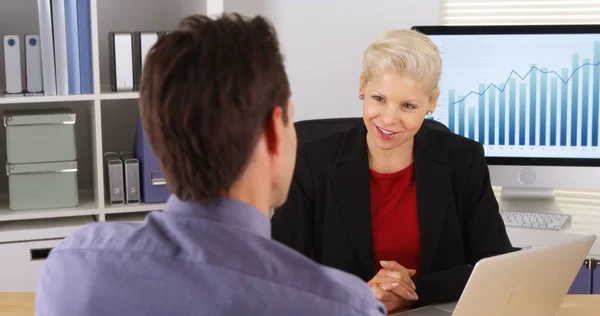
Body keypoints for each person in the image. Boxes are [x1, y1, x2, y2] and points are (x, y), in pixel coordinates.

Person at [35, 14, 385, 316]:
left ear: (157, 136)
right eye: (291, 121)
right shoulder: (342, 306)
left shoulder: (73, 267)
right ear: (273, 133)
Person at [271, 28, 513, 312]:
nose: (388, 119)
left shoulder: (463, 159)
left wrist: (413, 292)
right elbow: (279, 270)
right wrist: (360, 293)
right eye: (379, 99)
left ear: (432, 103)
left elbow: (496, 266)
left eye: (408, 106)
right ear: (362, 86)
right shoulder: (312, 161)